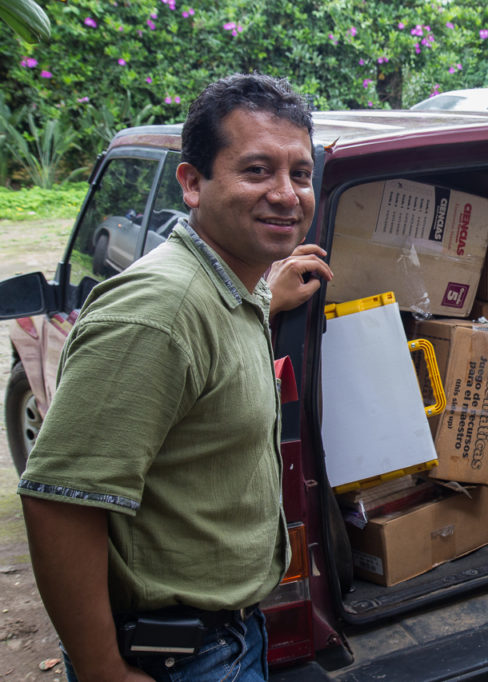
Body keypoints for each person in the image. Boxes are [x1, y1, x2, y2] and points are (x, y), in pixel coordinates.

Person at [17, 73, 333, 682]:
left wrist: (268, 299)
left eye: (299, 173)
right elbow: (60, 503)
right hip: (182, 659)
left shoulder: (230, 289)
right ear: (192, 183)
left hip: (233, 634)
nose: (287, 195)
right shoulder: (155, 315)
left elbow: (203, 359)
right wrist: (103, 670)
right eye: (257, 170)